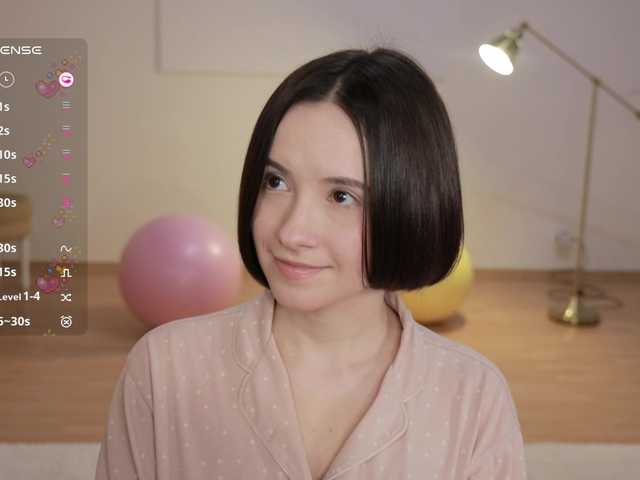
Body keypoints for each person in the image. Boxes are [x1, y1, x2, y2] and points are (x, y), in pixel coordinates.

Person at [95, 47, 528, 479]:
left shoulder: (473, 398)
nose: (291, 231)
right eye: (276, 181)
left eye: (341, 196)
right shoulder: (164, 369)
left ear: (410, 205)